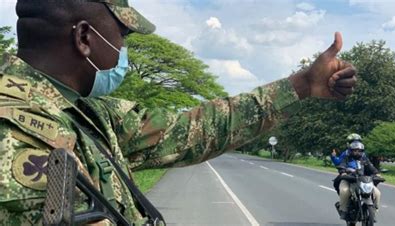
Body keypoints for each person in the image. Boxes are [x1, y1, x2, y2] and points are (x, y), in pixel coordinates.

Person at [0, 0, 357, 224]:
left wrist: (303, 85)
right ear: (84, 38)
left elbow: (195, 129)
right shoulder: (17, 136)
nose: (124, 50)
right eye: (122, 36)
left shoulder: (84, 112)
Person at [336, 141, 381, 220]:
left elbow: (371, 168)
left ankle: (373, 211)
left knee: (377, 193)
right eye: (355, 150)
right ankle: (343, 210)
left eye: (359, 151)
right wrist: (343, 172)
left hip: (363, 180)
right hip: (349, 180)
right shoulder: (347, 158)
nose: (357, 152)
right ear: (351, 151)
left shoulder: (365, 160)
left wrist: (376, 173)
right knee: (344, 191)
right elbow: (341, 166)